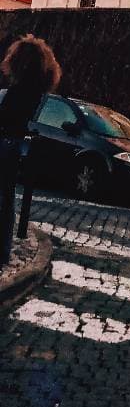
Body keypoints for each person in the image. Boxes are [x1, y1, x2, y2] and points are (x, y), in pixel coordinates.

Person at [0, 34, 62, 269]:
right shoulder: (37, 90)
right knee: (6, 202)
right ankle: (3, 253)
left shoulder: (18, 91)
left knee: (3, 201)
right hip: (13, 146)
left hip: (4, 144)